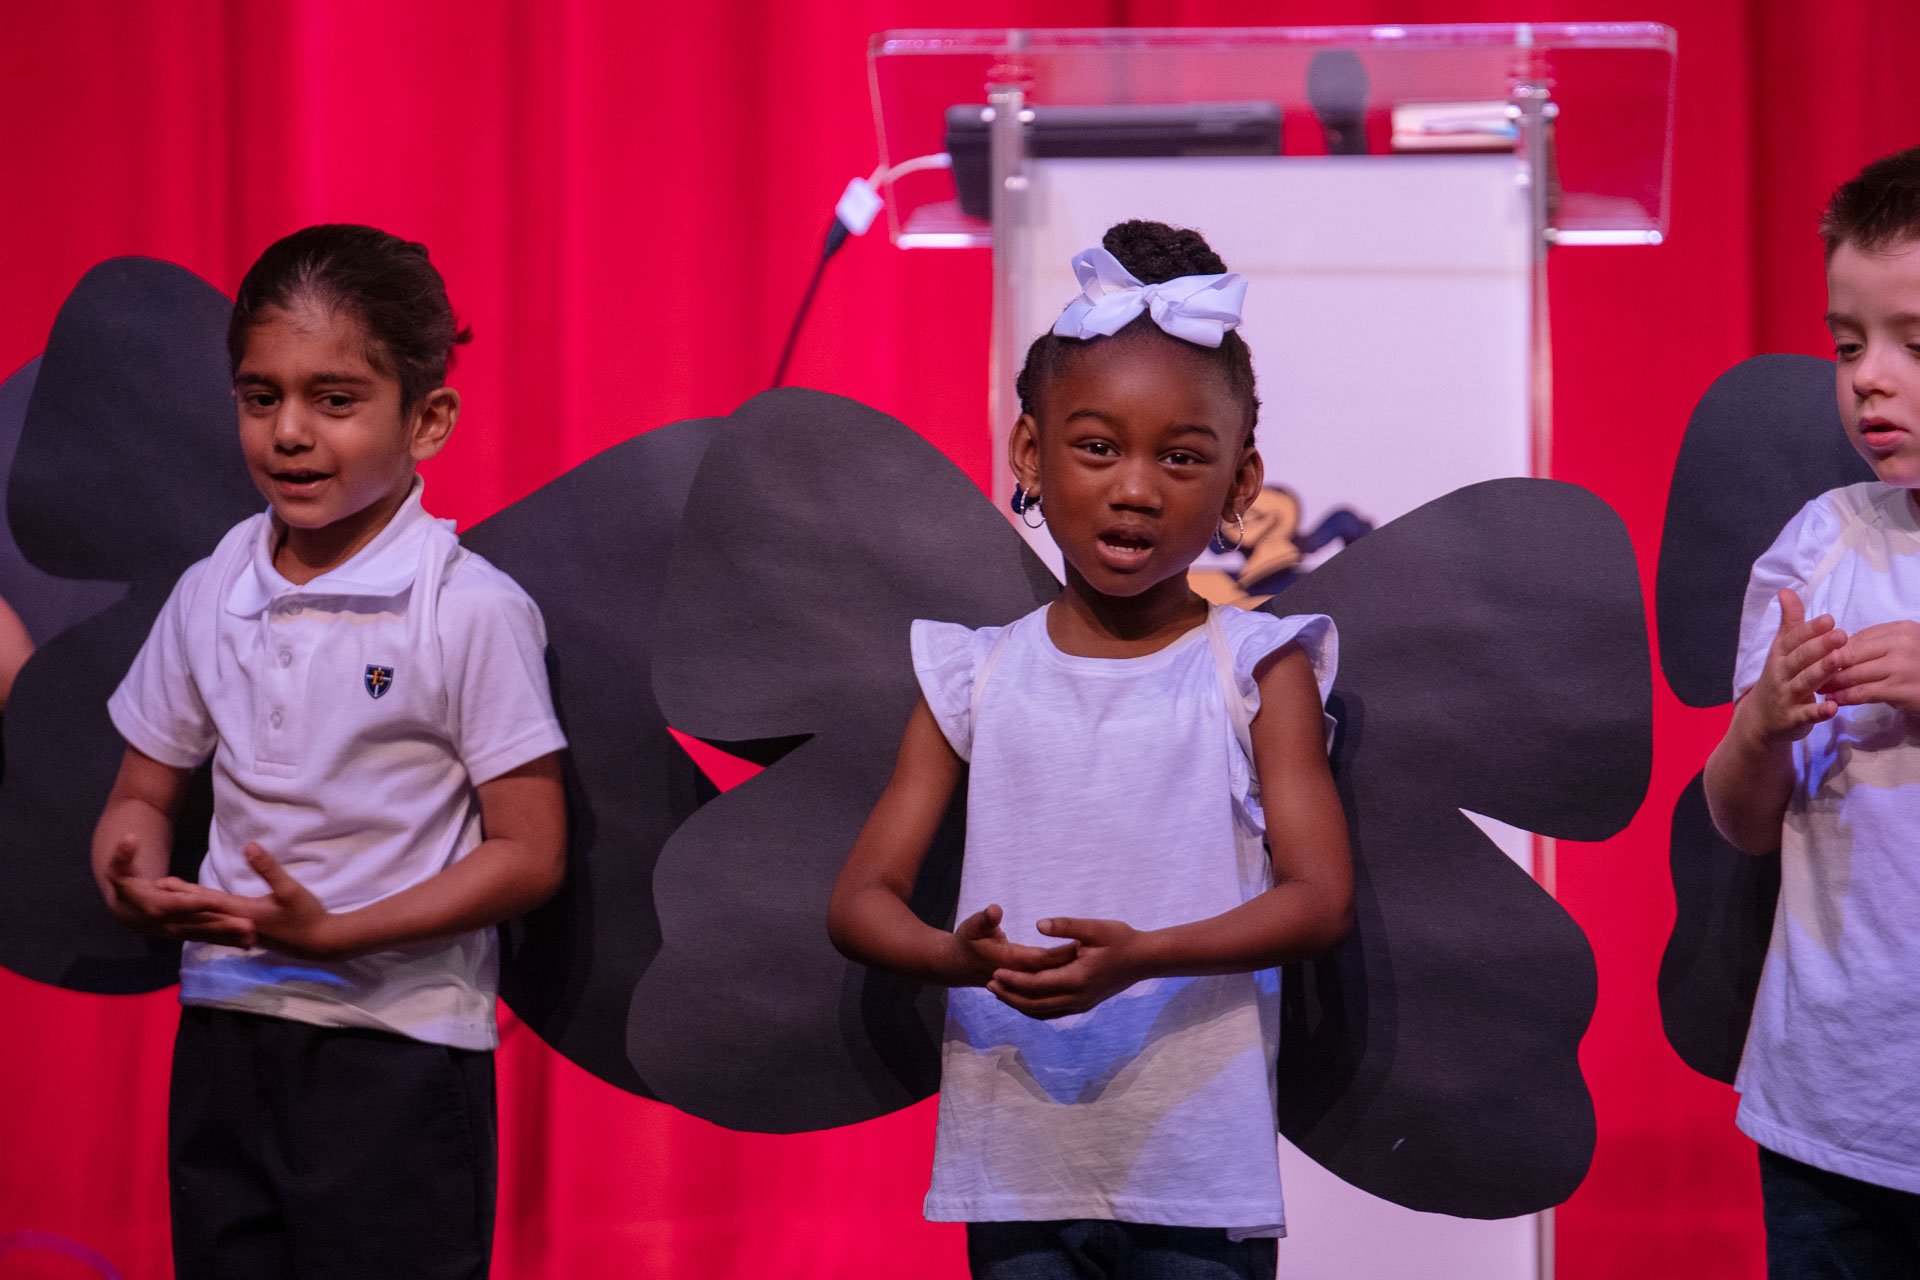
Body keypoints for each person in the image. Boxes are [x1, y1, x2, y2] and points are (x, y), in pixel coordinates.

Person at [828, 220, 1354, 1280]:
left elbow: (1319, 897)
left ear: (1239, 481)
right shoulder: (972, 672)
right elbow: (861, 899)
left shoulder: (1258, 665)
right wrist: (950, 954)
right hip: (1018, 1167)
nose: (1136, 487)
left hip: (1198, 1176)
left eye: (1183, 455)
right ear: (1031, 452)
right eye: (1099, 445)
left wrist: (1143, 954)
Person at [90, 224, 567, 1279]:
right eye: (263, 397)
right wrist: (128, 867)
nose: (291, 432)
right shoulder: (212, 587)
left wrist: (341, 930)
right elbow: (140, 790)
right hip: (225, 1029)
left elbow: (529, 850)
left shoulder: (469, 608)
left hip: (397, 1048)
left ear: (427, 418)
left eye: (335, 399)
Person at [1704, 146, 1920, 1277]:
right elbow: (1743, 819)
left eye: (1914, 343)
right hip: (1833, 1111)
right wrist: (1763, 724)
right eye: (1847, 345)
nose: (1869, 378)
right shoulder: (1827, 539)